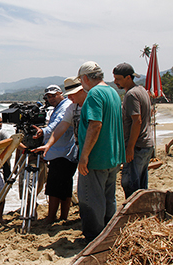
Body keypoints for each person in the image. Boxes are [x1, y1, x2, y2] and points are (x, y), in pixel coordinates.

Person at [76, 61, 125, 243]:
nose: (82, 84)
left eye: (81, 80)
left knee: (90, 200)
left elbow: (95, 125)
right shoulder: (113, 92)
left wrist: (84, 155)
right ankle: (108, 234)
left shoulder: (94, 94)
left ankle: (93, 238)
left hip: (96, 158)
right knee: (108, 198)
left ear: (86, 78)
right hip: (112, 155)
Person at [32, 85, 78, 224]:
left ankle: (52, 217)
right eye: (48, 96)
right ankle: (63, 217)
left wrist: (44, 131)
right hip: (64, 152)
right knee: (64, 187)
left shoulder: (65, 106)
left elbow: (59, 124)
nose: (51, 98)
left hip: (63, 153)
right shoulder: (60, 106)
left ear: (60, 93)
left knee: (53, 188)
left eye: (53, 95)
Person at [113, 63, 154, 199]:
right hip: (146, 143)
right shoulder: (141, 90)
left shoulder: (131, 95)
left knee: (131, 185)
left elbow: (137, 121)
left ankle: (134, 215)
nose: (115, 82)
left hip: (137, 145)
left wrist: (130, 147)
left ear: (129, 78)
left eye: (118, 79)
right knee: (141, 184)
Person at [33, 76, 87, 156]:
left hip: (68, 153)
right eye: (49, 97)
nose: (69, 97)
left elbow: (58, 122)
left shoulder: (68, 105)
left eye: (72, 93)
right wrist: (48, 145)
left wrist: (44, 131)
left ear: (82, 90)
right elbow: (62, 126)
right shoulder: (72, 106)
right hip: (79, 151)